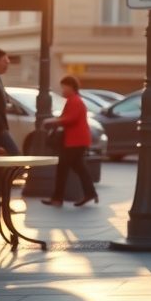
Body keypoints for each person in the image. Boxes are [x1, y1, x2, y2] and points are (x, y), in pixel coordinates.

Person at [40, 75, 98, 207]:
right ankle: (90, 193)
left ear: (71, 87)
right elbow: (66, 117)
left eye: (64, 87)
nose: (62, 90)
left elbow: (69, 119)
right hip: (77, 141)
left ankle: (58, 199)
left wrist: (51, 121)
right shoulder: (73, 100)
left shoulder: (75, 101)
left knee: (63, 168)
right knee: (79, 167)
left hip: (75, 141)